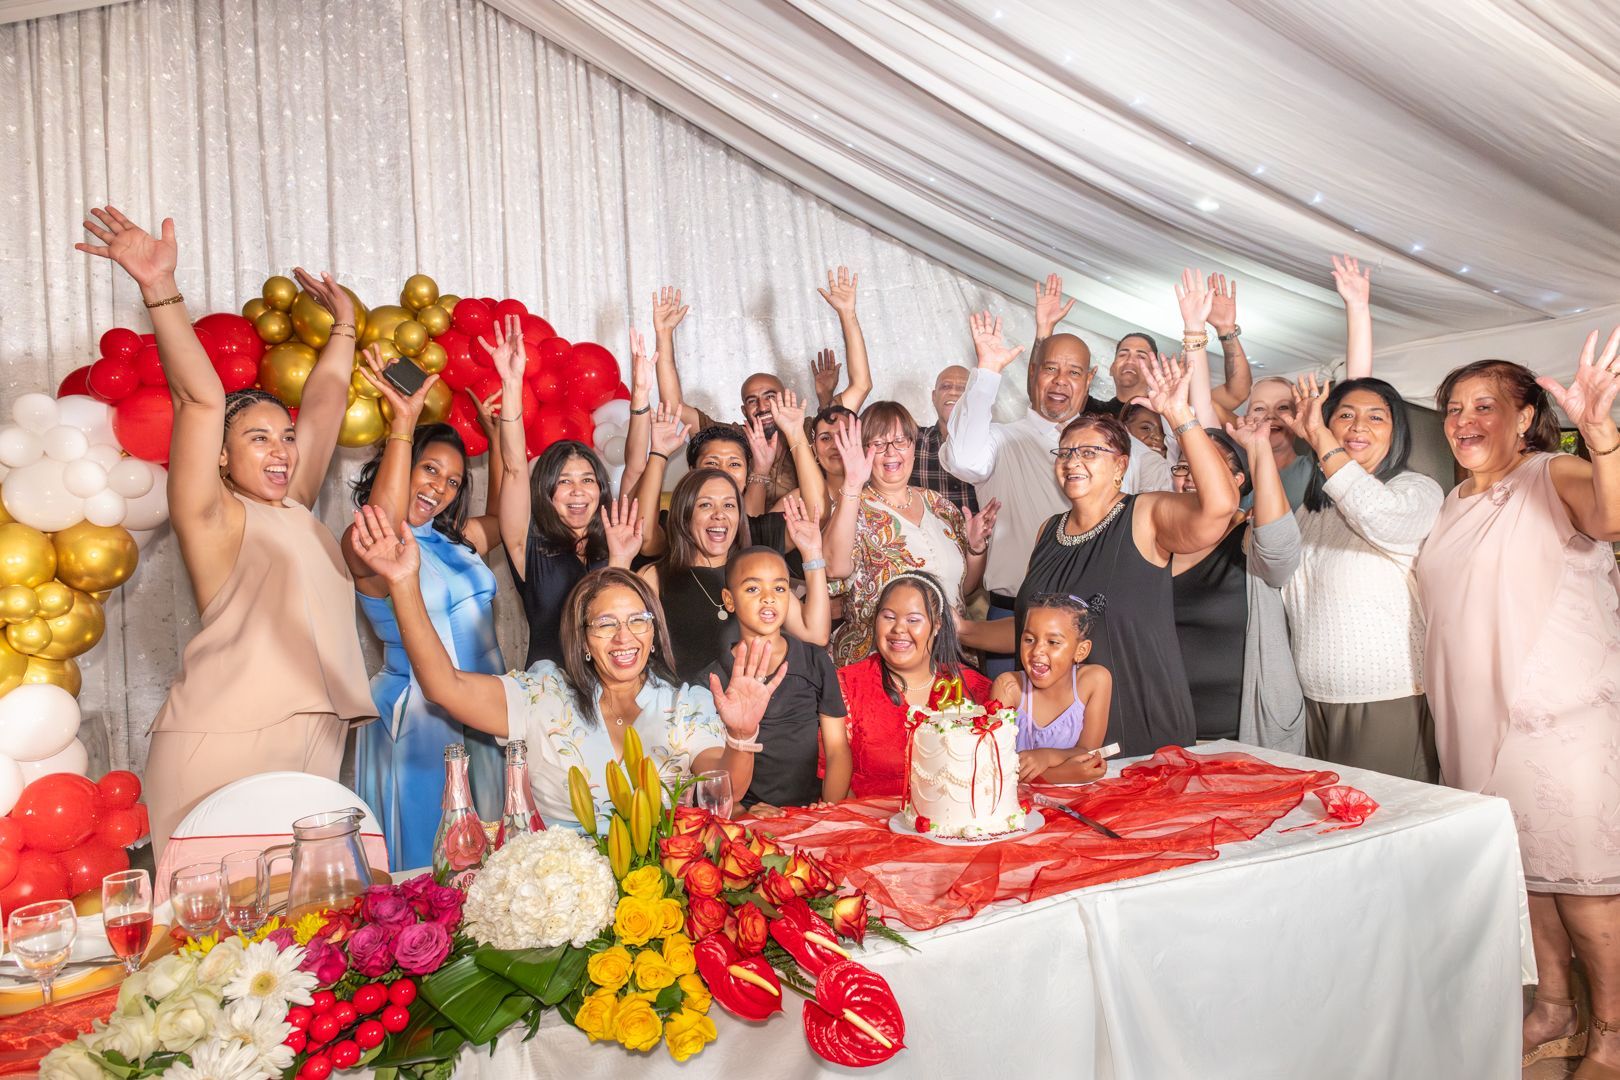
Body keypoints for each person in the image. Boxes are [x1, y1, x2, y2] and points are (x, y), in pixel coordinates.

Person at [77, 207, 374, 853]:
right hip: (223, 739)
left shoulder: (293, 508)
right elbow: (200, 398)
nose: (281, 449)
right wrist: (160, 287)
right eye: (258, 438)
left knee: (306, 914)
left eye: (285, 437)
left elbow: (324, 403)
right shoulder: (212, 516)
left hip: (318, 733)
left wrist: (346, 325)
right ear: (219, 455)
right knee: (209, 914)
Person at [1416, 339, 1620, 1075]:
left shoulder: (1550, 473)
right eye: (1453, 408)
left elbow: (1612, 517)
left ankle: (1612, 1035)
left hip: (1560, 719)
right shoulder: (1453, 501)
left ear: (1526, 416)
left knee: (1585, 885)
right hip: (1477, 723)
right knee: (1528, 876)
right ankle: (1556, 1009)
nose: (1464, 420)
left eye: (1484, 406)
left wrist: (1599, 435)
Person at [349, 520, 782, 829]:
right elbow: (445, 686)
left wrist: (741, 737)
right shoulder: (543, 695)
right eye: (605, 624)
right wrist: (403, 584)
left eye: (638, 620)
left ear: (654, 632)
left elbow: (724, 787)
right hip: (563, 895)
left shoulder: (684, 705)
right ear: (583, 639)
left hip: (658, 894)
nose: (624, 637)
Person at [961, 349, 1240, 757]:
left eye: (1089, 452)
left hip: (1139, 719)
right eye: (1065, 452)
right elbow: (1036, 630)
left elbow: (1220, 506)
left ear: (1121, 466)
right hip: (1057, 741)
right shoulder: (1048, 531)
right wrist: (960, 628)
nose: (1073, 461)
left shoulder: (1144, 514)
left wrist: (1180, 415)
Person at [943, 280, 1172, 676]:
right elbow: (962, 459)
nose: (1061, 380)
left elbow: (1176, 484)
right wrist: (988, 373)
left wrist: (1176, 413)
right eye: (1051, 368)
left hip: (1094, 626)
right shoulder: (999, 438)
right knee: (1005, 715)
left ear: (1090, 378)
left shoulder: (1120, 447)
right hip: (1009, 620)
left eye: (1074, 371)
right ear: (1034, 372)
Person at [340, 347, 506, 869]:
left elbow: (504, 517)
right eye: (429, 469)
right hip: (421, 717)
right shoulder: (369, 542)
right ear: (402, 464)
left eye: (452, 481)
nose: (440, 487)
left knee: (494, 854)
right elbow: (385, 523)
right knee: (431, 862)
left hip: (485, 707)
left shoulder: (457, 540)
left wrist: (498, 435)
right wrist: (403, 423)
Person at [1279, 371, 1442, 781]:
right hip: (1314, 698)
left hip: (1386, 696)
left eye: (1376, 417)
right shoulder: (1312, 509)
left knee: (1385, 814)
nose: (1358, 427)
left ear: (1396, 431)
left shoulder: (1415, 491)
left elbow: (1378, 516)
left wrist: (1320, 439)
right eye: (1346, 415)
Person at [485, 314, 642, 668]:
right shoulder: (527, 545)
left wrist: (620, 561)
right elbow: (513, 467)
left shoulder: (616, 544)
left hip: (611, 690)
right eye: (564, 481)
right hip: (549, 694)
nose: (577, 491)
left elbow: (621, 628)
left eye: (587, 480)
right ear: (546, 492)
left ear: (600, 490)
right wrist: (512, 383)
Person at [652, 269, 872, 507]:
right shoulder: (732, 439)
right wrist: (664, 334)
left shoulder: (810, 430)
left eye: (770, 396)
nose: (762, 406)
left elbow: (861, 385)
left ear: (787, 398)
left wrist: (847, 313)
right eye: (752, 400)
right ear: (744, 411)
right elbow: (673, 407)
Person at [1169, 416, 1307, 750]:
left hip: (1247, 736)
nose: (1192, 476)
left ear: (1237, 480)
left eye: (1205, 466)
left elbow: (1279, 551)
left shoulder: (1249, 540)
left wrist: (1259, 448)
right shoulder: (1157, 542)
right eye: (1184, 467)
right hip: (1166, 734)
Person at [825, 403, 997, 665]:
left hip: (947, 660)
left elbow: (962, 589)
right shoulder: (852, 508)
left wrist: (975, 548)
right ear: (863, 451)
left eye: (900, 441)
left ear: (913, 446)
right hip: (878, 663)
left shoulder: (939, 505)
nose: (891, 452)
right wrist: (852, 483)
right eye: (878, 443)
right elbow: (834, 568)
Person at [640, 469, 829, 682]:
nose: (719, 514)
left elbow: (815, 634)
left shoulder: (752, 570)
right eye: (705, 505)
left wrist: (812, 553)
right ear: (685, 516)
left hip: (754, 699)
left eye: (729, 505)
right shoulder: (654, 577)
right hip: (682, 700)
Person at [704, 547, 849, 815]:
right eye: (753, 589)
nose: (769, 598)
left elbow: (838, 749)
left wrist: (828, 809)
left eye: (780, 589)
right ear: (729, 599)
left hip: (811, 812)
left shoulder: (814, 661)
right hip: (750, 816)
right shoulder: (712, 679)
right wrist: (741, 813)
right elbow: (711, 772)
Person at [836, 573, 989, 799]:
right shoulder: (849, 685)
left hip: (951, 816)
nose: (899, 628)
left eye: (913, 620)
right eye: (889, 617)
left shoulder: (970, 686)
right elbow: (835, 777)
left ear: (937, 625)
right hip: (870, 816)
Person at [989, 593, 1110, 784]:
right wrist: (1059, 774)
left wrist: (1045, 756)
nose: (1037, 651)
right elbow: (991, 767)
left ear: (1081, 651)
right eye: (1029, 639)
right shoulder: (1008, 687)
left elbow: (1088, 753)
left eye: (1053, 642)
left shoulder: (1095, 680)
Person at [909, 365, 979, 513]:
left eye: (962, 388)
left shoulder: (993, 444)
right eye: (946, 386)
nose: (953, 392)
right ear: (934, 397)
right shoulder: (912, 442)